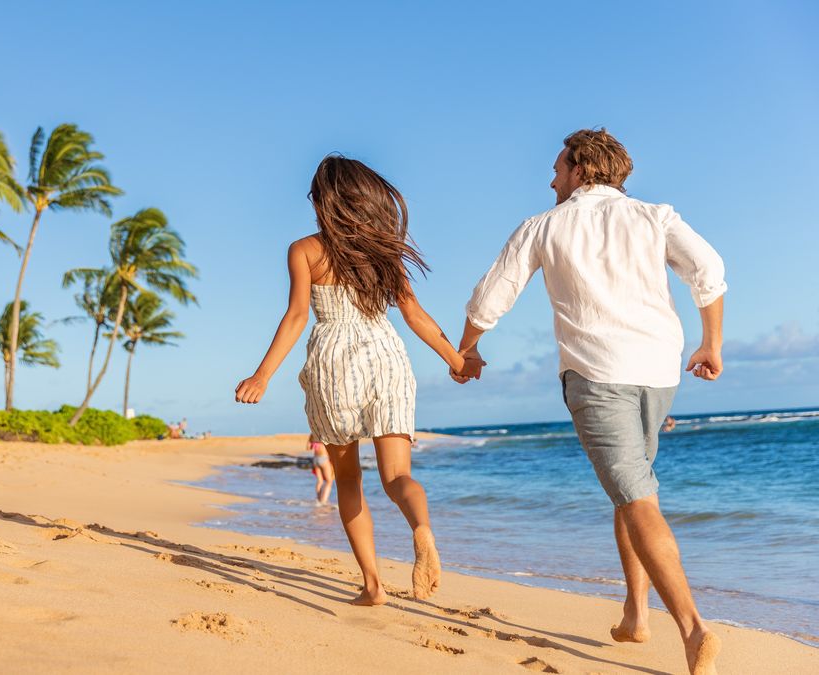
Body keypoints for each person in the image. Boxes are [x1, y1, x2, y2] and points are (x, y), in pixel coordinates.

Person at [454, 129, 724, 675]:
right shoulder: (656, 216)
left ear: (580, 169)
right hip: (657, 372)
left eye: (557, 167)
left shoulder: (545, 225)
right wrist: (711, 343)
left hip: (598, 376)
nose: (551, 178)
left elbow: (492, 292)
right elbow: (709, 271)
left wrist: (467, 348)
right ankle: (635, 614)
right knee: (631, 491)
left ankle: (694, 631)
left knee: (637, 498)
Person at [235, 155, 483, 605]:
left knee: (348, 481)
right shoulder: (383, 250)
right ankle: (421, 527)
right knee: (396, 476)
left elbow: (295, 317)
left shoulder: (305, 250)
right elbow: (413, 314)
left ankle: (372, 586)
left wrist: (262, 374)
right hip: (386, 357)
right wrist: (455, 357)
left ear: (325, 201)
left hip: (334, 362)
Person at [308, 433, 335, 505]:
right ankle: (323, 500)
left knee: (320, 481)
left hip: (315, 459)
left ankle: (318, 499)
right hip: (324, 458)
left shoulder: (313, 435)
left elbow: (308, 447)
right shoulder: (325, 433)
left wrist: (314, 444)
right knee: (329, 481)